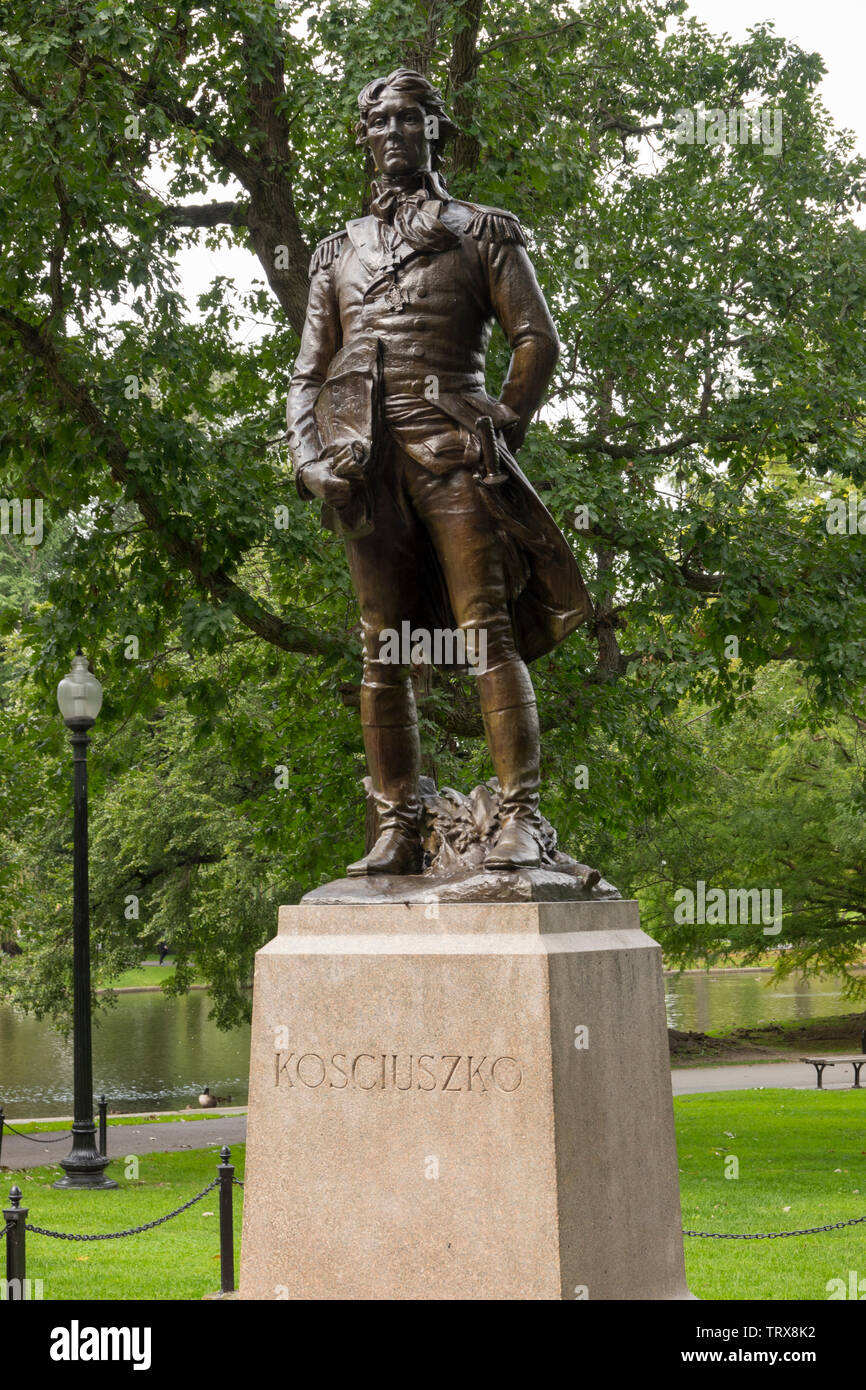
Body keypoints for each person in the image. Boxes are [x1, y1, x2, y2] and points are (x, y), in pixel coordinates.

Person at [287, 68, 591, 876]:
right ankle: (396, 823)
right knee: (377, 651)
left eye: (410, 119)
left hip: (454, 455)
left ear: (434, 132)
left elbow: (538, 341)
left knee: (486, 631)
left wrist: (503, 426)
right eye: (380, 122)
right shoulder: (336, 253)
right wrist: (309, 457)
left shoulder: (484, 231)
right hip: (365, 469)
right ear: (364, 137)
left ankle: (521, 817)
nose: (394, 133)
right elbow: (307, 374)